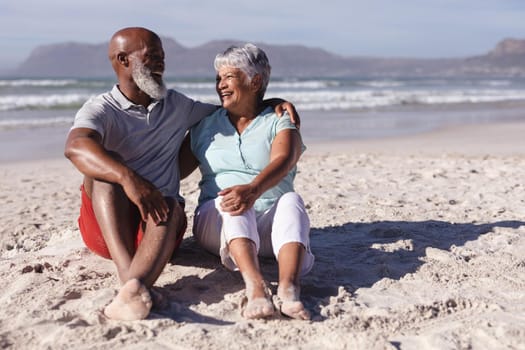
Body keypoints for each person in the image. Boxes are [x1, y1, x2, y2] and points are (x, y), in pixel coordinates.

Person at [64, 27, 299, 321]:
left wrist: (269, 101)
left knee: (171, 204)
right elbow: (75, 146)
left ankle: (133, 290)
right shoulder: (101, 108)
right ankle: (130, 282)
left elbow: (233, 107)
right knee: (103, 171)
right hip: (107, 230)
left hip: (159, 234)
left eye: (163, 56)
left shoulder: (178, 105)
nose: (161, 63)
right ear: (123, 60)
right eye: (152, 57)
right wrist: (129, 179)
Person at [180, 43, 314, 320]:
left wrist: (253, 190)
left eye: (228, 77)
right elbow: (172, 171)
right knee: (229, 200)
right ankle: (255, 286)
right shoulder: (205, 125)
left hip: (270, 226)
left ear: (255, 81)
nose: (220, 85)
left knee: (291, 200)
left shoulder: (279, 119)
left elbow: (285, 159)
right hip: (216, 223)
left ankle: (289, 287)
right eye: (218, 78)